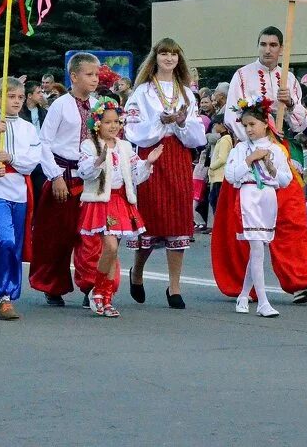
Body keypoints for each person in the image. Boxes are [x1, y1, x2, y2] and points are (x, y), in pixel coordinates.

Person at [215, 26, 307, 304]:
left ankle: (303, 278)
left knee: (291, 216)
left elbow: (302, 123)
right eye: (264, 44)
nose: (268, 50)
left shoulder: (289, 78)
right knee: (247, 224)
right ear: (258, 46)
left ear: (281, 49)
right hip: (250, 154)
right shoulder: (241, 76)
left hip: (281, 154)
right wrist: (256, 141)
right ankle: (246, 286)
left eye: (274, 45)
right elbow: (232, 117)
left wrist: (291, 104)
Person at [123, 38, 206, 309]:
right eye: (164, 54)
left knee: (178, 219)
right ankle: (137, 270)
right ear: (155, 58)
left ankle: (175, 286)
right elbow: (132, 128)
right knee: (151, 218)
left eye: (173, 54)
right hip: (152, 155)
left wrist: (182, 122)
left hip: (178, 155)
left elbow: (197, 135)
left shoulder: (186, 93)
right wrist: (159, 122)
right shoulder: (143, 91)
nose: (169, 58)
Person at [31, 53, 103, 306]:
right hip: (64, 175)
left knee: (90, 234)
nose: (94, 79)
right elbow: (44, 143)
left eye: (96, 74)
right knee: (57, 236)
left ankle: (90, 284)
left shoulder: (97, 105)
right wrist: (56, 176)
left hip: (90, 177)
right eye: (89, 74)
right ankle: (53, 285)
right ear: (73, 76)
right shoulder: (61, 105)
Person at [78, 98, 160, 317]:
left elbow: (134, 173)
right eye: (107, 122)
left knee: (112, 252)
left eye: (117, 122)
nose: (113, 126)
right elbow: (84, 172)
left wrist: (147, 163)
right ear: (97, 124)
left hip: (120, 201)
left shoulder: (124, 146)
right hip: (100, 202)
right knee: (111, 247)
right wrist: (99, 160)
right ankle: (98, 291)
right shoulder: (90, 145)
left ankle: (106, 296)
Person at [0, 78, 41, 320]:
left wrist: (11, 157)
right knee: (2, 240)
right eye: (10, 96)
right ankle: (2, 294)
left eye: (19, 97)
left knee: (14, 245)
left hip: (19, 191)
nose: (16, 101)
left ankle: (4, 291)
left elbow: (32, 161)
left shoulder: (28, 128)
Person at [226, 98, 294, 318]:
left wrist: (271, 167)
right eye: (245, 126)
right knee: (256, 248)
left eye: (252, 124)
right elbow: (231, 176)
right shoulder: (240, 149)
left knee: (259, 248)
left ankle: (244, 295)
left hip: (268, 198)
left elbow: (285, 180)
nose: (248, 129)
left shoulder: (276, 149)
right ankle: (263, 302)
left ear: (265, 123)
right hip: (248, 196)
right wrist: (249, 159)